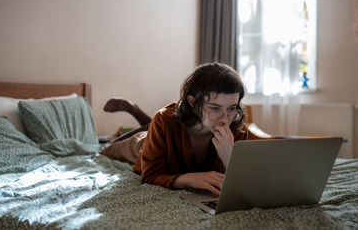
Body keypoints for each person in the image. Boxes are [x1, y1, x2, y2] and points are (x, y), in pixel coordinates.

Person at [101, 62, 276, 195]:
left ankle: (145, 121)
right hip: (142, 145)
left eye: (231, 108)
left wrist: (230, 160)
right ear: (193, 102)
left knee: (154, 124)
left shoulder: (236, 128)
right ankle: (130, 113)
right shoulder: (165, 120)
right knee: (111, 149)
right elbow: (150, 175)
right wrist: (186, 179)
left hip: (165, 127)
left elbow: (244, 184)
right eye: (215, 108)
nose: (226, 118)